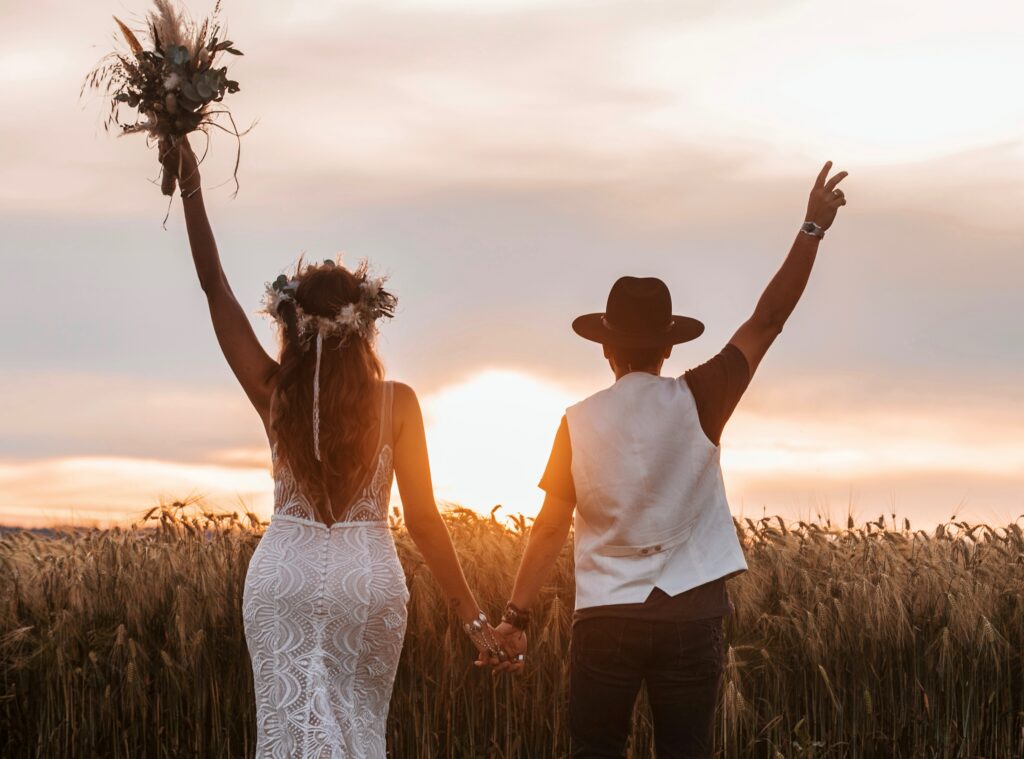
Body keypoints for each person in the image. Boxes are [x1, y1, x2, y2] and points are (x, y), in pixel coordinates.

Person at [487, 162, 849, 758]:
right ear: (668, 345)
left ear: (604, 347)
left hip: (604, 621)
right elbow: (768, 320)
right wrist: (811, 228)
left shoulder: (576, 422)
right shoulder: (703, 395)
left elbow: (551, 526)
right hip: (690, 617)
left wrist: (515, 619)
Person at [159, 137, 506, 758]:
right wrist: (474, 621)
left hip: (282, 575)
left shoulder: (275, 393)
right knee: (356, 733)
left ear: (290, 323)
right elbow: (424, 521)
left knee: (290, 738)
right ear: (365, 326)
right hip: (367, 578)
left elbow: (215, 288)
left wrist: (191, 180)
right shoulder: (398, 404)